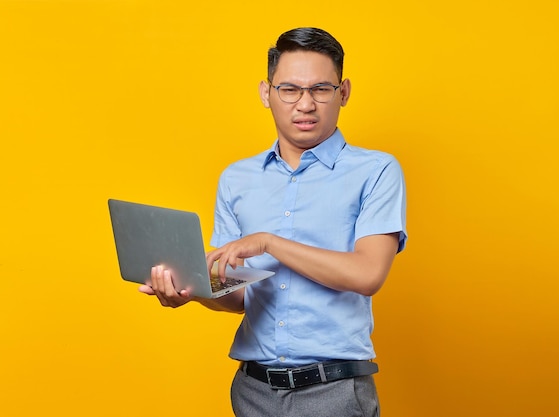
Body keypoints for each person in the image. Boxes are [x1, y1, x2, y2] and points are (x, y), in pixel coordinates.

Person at [139, 27, 407, 417]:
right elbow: (239, 296)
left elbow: (367, 273)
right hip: (253, 391)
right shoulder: (237, 179)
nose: (305, 104)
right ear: (267, 93)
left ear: (343, 92)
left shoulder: (376, 171)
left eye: (321, 88)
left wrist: (269, 243)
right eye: (290, 89)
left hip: (333, 391)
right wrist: (190, 289)